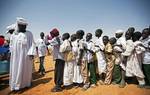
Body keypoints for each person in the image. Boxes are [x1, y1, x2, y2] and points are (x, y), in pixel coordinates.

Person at [9, 17, 36, 91]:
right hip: (16, 57)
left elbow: (33, 44)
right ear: (18, 25)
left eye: (25, 25)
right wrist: (11, 53)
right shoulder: (14, 35)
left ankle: (26, 84)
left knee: (26, 70)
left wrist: (31, 53)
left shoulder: (29, 33)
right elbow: (11, 45)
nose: (24, 27)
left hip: (26, 56)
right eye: (22, 25)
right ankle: (16, 85)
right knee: (16, 70)